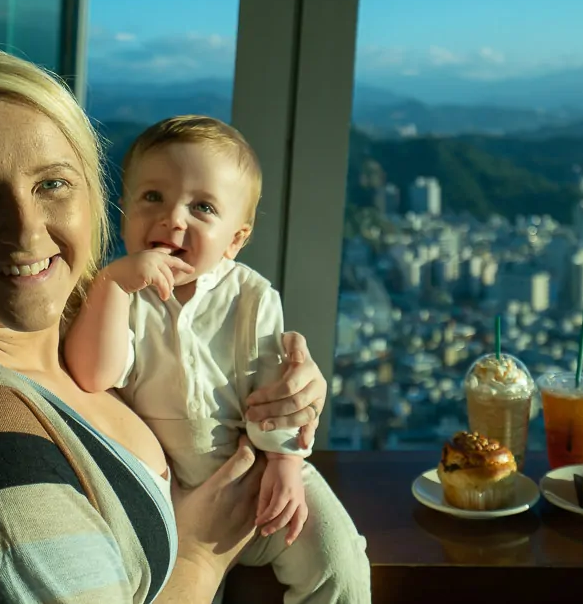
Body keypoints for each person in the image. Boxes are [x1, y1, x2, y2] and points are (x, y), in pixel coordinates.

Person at [0, 43, 329, 604]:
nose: (27, 233)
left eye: (53, 183)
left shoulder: (74, 331)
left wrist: (283, 396)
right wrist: (201, 557)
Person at [64, 116, 372, 603]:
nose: (173, 219)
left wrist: (286, 464)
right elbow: (92, 373)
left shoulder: (252, 296)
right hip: (163, 496)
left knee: (340, 562)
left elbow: (278, 392)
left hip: (260, 470)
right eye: (152, 198)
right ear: (123, 213)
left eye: (202, 207)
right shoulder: (118, 293)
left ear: (235, 239)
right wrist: (115, 284)